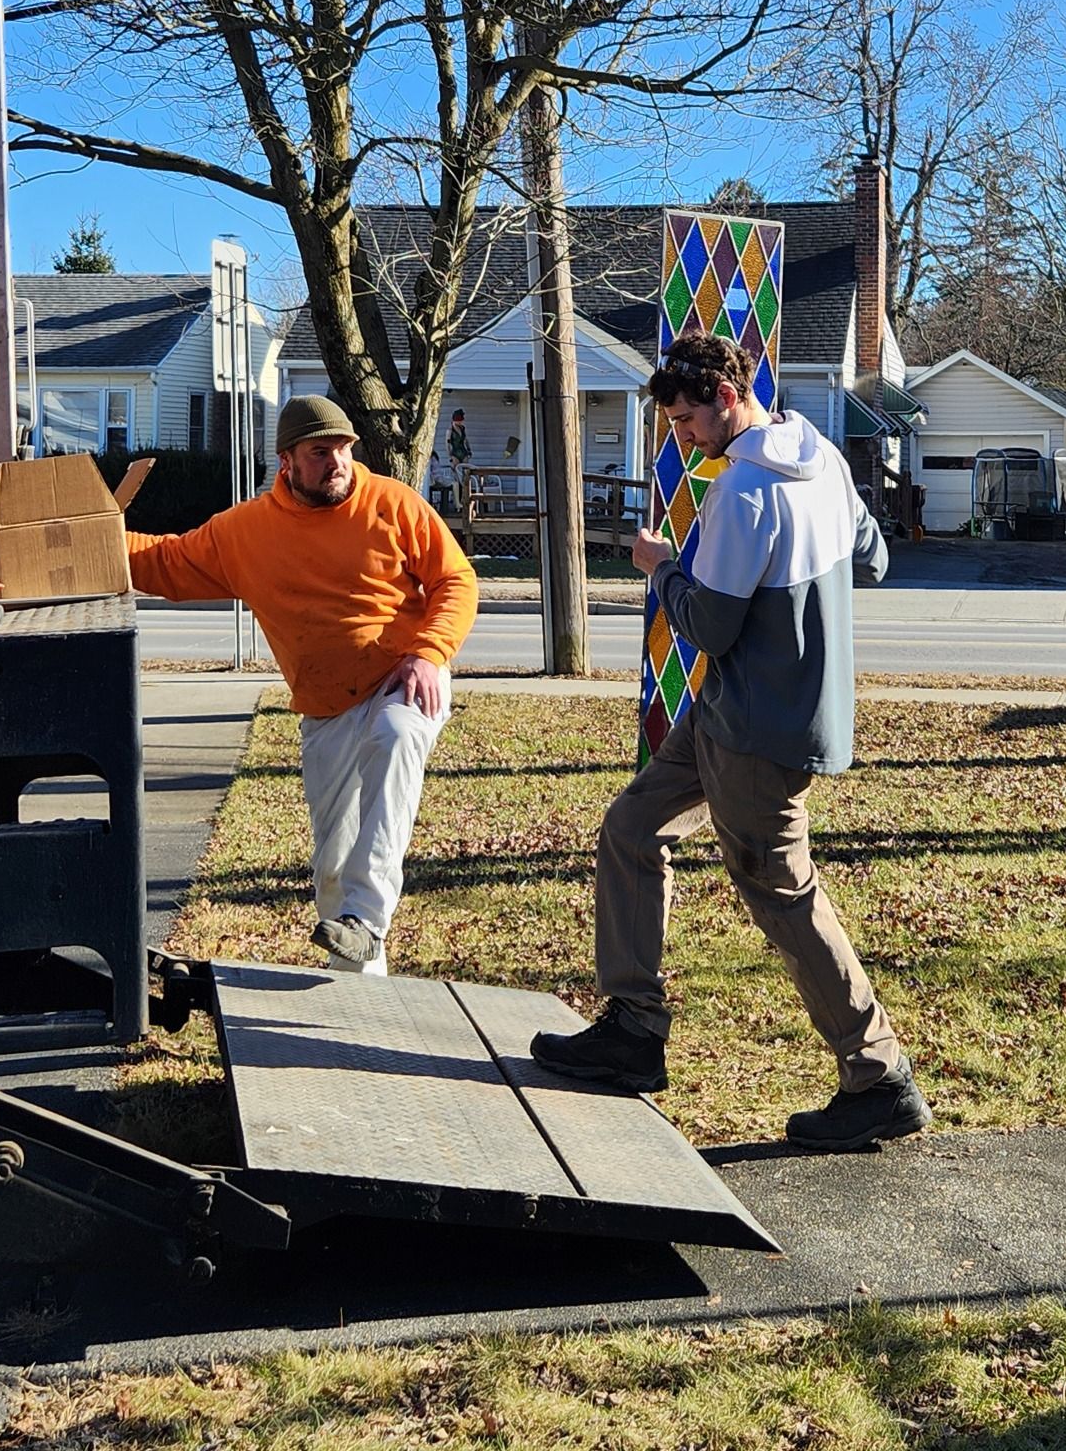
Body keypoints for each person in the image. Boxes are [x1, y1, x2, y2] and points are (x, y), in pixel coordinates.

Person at [530, 333, 930, 1150]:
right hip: (737, 712)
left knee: (783, 893)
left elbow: (709, 625)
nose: (682, 437)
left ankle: (878, 1075)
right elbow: (875, 558)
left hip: (756, 730)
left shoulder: (742, 491)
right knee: (631, 829)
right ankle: (633, 1029)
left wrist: (660, 566)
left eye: (685, 421)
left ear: (724, 396)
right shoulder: (821, 457)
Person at [127, 396, 478, 975]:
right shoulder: (247, 532)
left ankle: (367, 918)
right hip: (326, 705)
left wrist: (427, 652)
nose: (337, 462)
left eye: (343, 449)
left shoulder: (393, 503)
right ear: (286, 461)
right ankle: (356, 980)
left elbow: (456, 580)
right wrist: (76, 541)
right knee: (332, 863)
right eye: (320, 452)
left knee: (395, 736)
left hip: (403, 676)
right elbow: (165, 560)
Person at [446, 408, 472, 493]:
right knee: (456, 472)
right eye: (460, 420)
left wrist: (469, 449)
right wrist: (450, 456)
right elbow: (448, 444)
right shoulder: (450, 431)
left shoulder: (462, 429)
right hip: (455, 452)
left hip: (463, 451)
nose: (461, 422)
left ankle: (465, 489)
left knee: (466, 471)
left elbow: (466, 440)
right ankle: (457, 491)